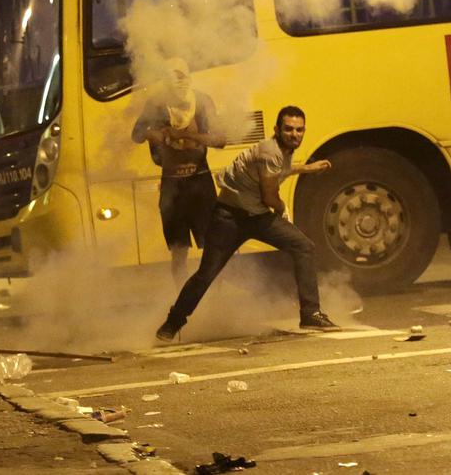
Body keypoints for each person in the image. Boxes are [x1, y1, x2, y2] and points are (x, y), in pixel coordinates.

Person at [156, 105, 339, 341]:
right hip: (229, 219)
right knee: (206, 274)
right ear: (277, 129)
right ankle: (172, 323)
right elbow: (269, 195)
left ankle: (311, 313)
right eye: (289, 129)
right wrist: (282, 209)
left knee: (304, 247)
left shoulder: (280, 150)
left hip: (256, 216)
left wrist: (304, 168)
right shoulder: (270, 151)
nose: (295, 134)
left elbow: (272, 172)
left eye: (299, 130)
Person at [132, 58, 225, 286]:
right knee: (178, 250)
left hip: (200, 182)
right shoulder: (156, 104)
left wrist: (186, 136)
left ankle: (215, 295)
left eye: (182, 75)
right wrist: (156, 134)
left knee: (212, 245)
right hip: (172, 185)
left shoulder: (202, 102)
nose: (179, 81)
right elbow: (137, 134)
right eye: (173, 76)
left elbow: (220, 139)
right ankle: (182, 298)